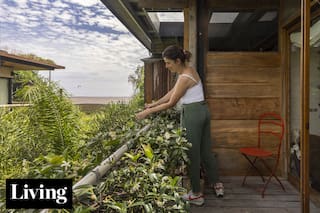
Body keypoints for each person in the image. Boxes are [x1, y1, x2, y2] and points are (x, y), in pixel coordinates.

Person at [136, 45, 224, 206]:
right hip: (203, 110)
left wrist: (147, 113)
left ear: (177, 61)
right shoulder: (188, 71)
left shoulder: (184, 78)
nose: (166, 66)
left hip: (192, 114)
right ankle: (216, 183)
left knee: (192, 153)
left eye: (168, 63)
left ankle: (197, 194)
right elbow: (172, 92)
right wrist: (153, 104)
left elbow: (172, 102)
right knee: (205, 151)